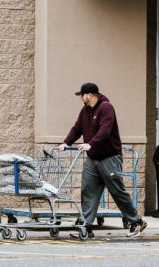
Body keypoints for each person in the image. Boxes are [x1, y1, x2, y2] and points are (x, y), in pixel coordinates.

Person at [60, 83, 146, 238]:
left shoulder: (106, 108)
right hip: (93, 158)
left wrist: (90, 143)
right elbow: (77, 128)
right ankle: (86, 226)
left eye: (82, 95)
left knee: (117, 191)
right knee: (88, 191)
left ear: (89, 95)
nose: (81, 98)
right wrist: (66, 143)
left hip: (109, 157)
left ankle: (136, 222)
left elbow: (105, 130)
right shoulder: (85, 111)